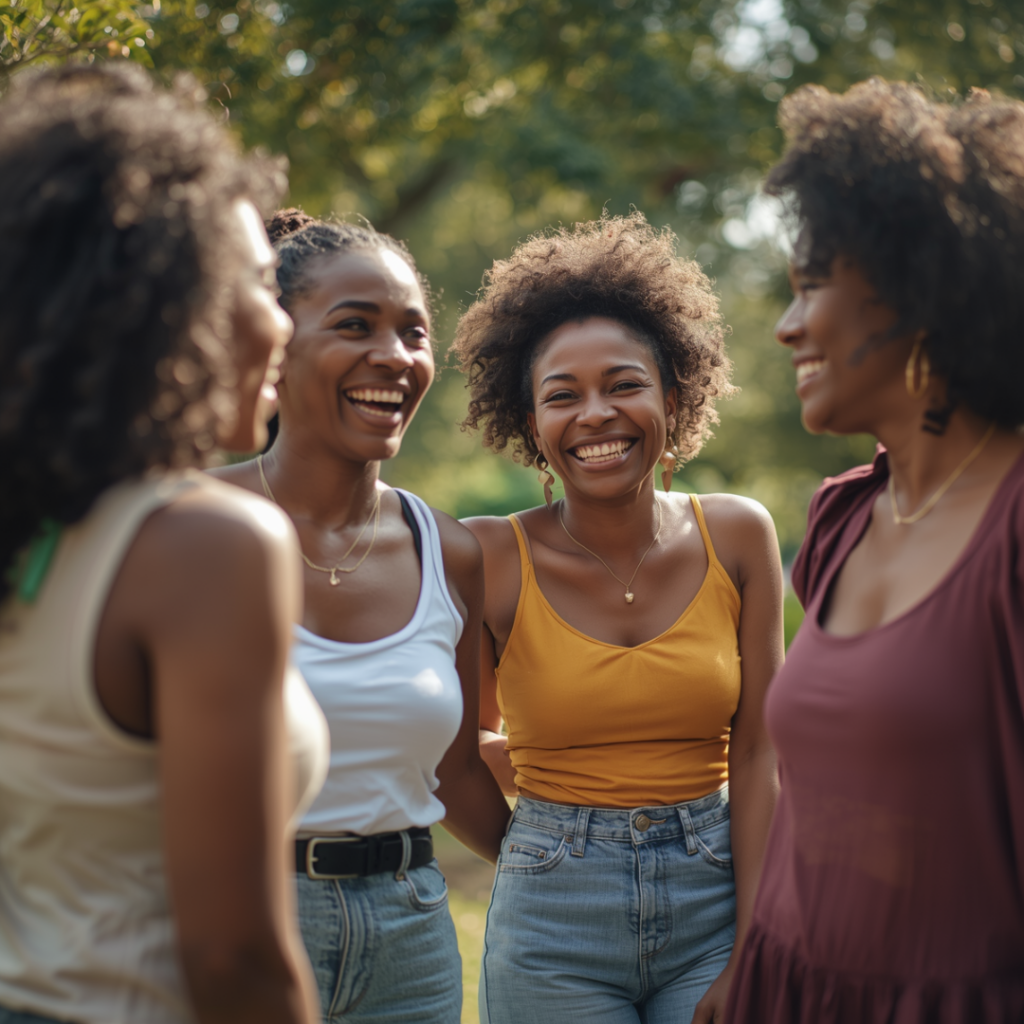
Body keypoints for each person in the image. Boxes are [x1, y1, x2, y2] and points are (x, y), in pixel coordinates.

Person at [0, 64, 330, 1024]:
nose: (283, 324)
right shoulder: (206, 546)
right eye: (263, 284)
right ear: (166, 303)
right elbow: (233, 957)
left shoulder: (35, 524)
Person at [723, 79, 1024, 1022]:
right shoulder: (843, 517)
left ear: (920, 287)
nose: (786, 325)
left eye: (812, 285)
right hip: (789, 987)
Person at [450, 212, 784, 1024]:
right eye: (562, 396)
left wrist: (755, 939)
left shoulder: (738, 534)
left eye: (624, 385)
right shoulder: (486, 555)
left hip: (717, 900)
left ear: (673, 396)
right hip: (552, 922)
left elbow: (761, 749)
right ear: (532, 426)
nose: (595, 414)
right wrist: (544, 853)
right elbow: (456, 753)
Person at [212, 209, 512, 1023]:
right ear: (275, 345)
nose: (396, 356)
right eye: (355, 326)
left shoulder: (448, 551)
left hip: (410, 933)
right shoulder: (185, 525)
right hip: (234, 915)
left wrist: (571, 872)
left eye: (414, 333)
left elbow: (456, 772)